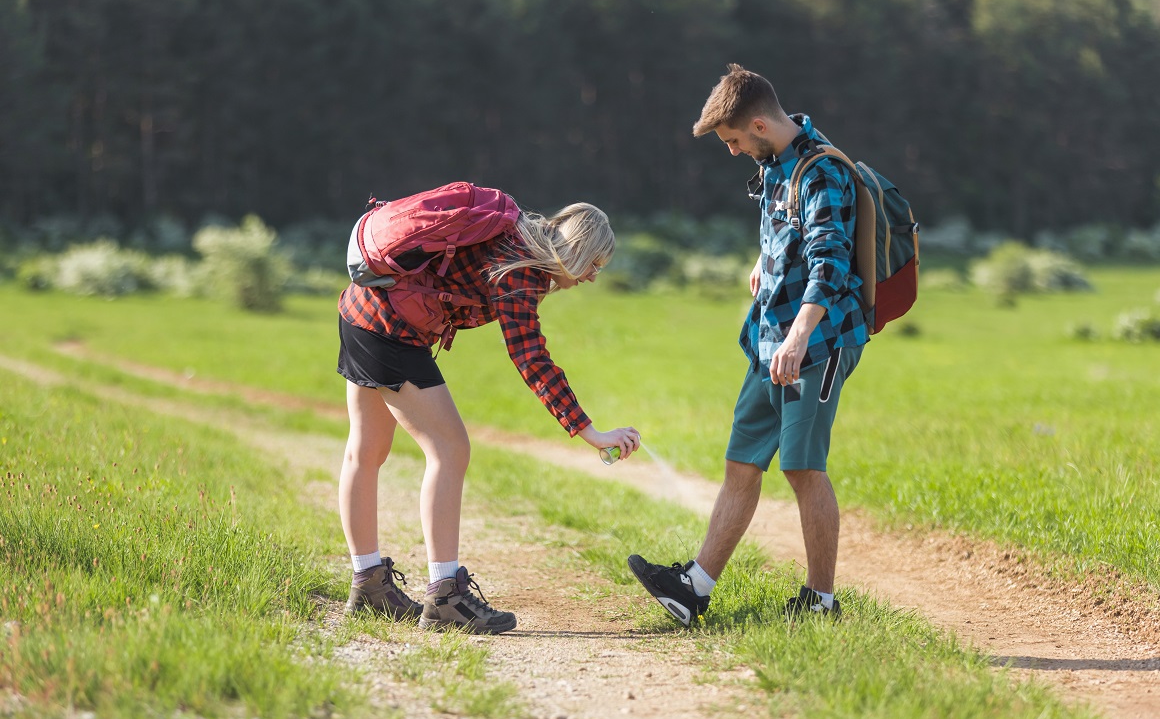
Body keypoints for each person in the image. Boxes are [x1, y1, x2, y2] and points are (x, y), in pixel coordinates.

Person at [628, 64, 870, 624]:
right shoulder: (774, 164)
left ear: (759, 124)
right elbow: (790, 236)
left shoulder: (820, 172)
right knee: (743, 459)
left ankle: (821, 602)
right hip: (769, 339)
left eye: (734, 140)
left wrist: (800, 333)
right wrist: (761, 261)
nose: (732, 151)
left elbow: (831, 265)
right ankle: (695, 590)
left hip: (817, 340)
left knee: (803, 468)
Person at [338, 198, 641, 634]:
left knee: (364, 452)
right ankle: (445, 595)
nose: (593, 277)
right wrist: (589, 431)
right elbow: (530, 357)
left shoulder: (511, 228)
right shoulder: (522, 270)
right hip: (391, 329)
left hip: (360, 308)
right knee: (450, 449)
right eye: (593, 264)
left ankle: (369, 584)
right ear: (574, 250)